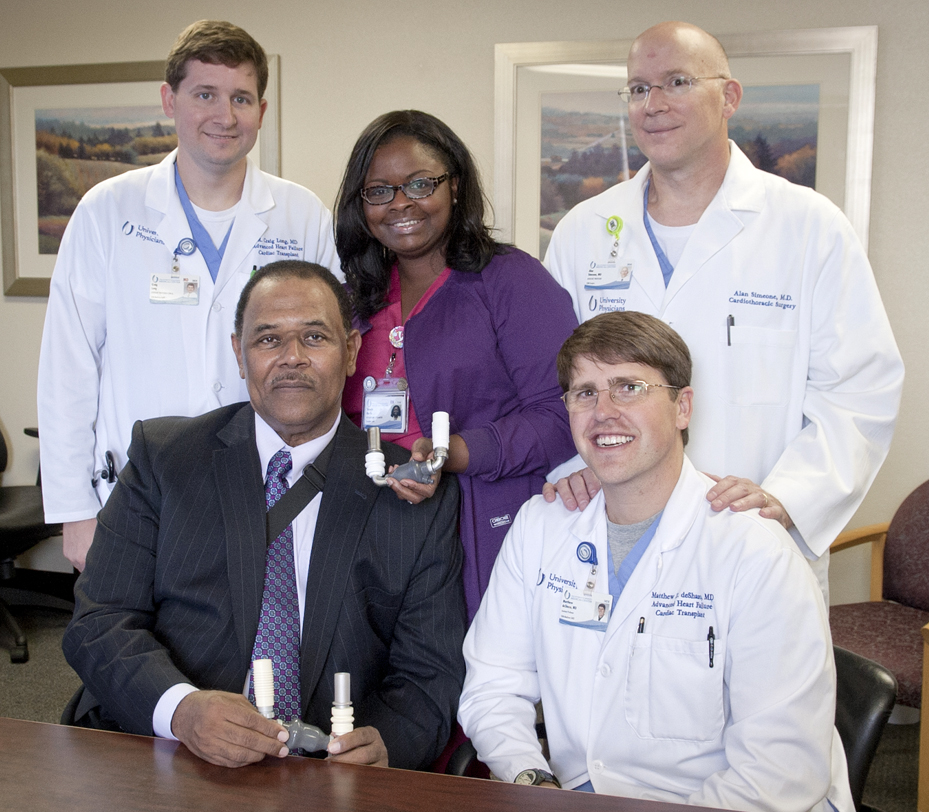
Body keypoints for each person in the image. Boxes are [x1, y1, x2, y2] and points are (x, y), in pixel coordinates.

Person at [543, 21, 903, 598]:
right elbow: (553, 383)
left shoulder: (808, 227)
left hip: (753, 539)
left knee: (759, 686)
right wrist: (571, 471)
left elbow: (859, 389)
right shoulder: (584, 231)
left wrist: (790, 495)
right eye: (638, 89)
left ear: (728, 96)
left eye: (677, 82)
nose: (653, 105)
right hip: (613, 534)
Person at [63, 261, 466, 771]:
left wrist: (388, 745)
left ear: (351, 352)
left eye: (314, 337)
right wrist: (181, 711)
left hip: (323, 773)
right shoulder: (165, 457)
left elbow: (429, 671)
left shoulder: (411, 490)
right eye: (268, 340)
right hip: (166, 750)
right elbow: (99, 621)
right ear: (239, 353)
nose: (291, 359)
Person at [458, 312, 853, 811]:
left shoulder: (756, 552)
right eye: (585, 393)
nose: (603, 411)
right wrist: (533, 778)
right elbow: (492, 687)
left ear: (682, 406)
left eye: (628, 387)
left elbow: (779, 772)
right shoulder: (541, 526)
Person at [38, 20, 338, 571]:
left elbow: (329, 353)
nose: (225, 116)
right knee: (131, 647)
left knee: (254, 650)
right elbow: (67, 366)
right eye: (205, 95)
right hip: (134, 496)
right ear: (169, 100)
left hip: (268, 485)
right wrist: (74, 512)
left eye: (241, 98)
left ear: (261, 112)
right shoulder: (109, 211)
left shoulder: (302, 215)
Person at [334, 110, 579, 619]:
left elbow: (564, 413)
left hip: (482, 526)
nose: (400, 203)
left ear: (456, 186)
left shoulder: (511, 281)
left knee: (480, 685)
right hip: (372, 528)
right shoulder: (354, 299)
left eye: (420, 183)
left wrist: (455, 453)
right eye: (378, 190)